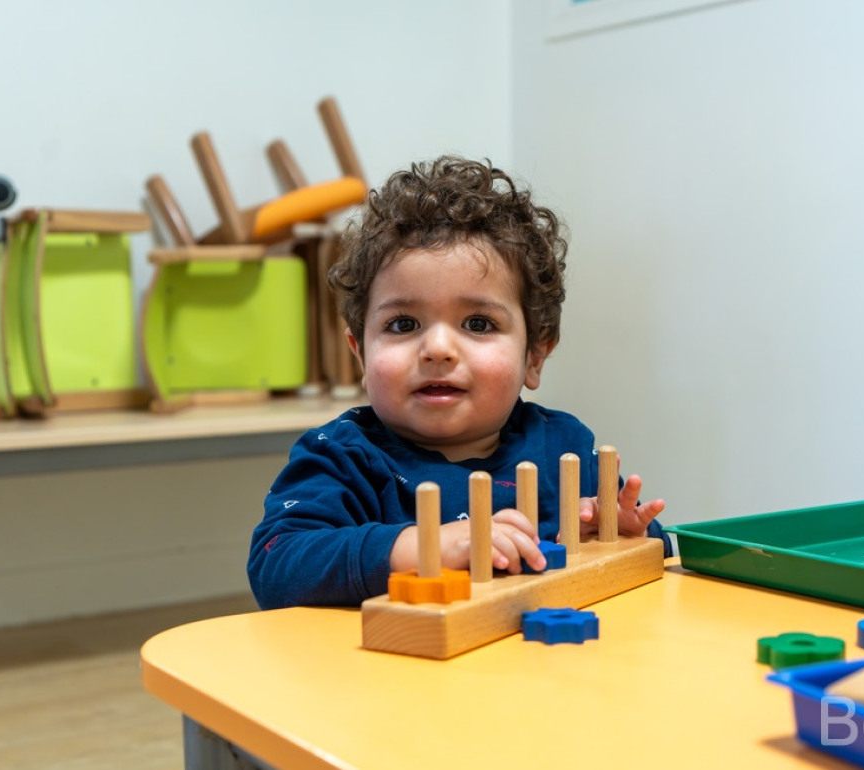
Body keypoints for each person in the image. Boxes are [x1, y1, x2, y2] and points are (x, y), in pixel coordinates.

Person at [247, 156, 668, 610]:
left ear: (535, 356)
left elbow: (659, 564)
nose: (438, 349)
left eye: (479, 324)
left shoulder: (566, 448)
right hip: (396, 673)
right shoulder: (341, 456)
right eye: (404, 324)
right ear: (360, 355)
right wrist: (422, 547)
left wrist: (626, 535)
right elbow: (277, 565)